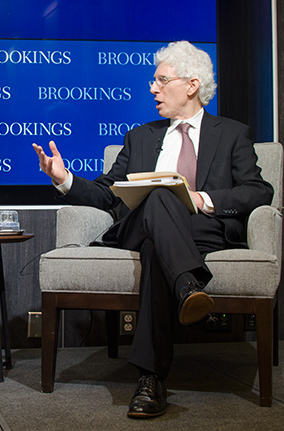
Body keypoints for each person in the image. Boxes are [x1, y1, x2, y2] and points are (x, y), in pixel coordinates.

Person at [33, 41, 273, 418]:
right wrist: (65, 179)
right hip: (139, 225)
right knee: (160, 197)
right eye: (153, 81)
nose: (152, 88)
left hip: (201, 230)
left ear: (191, 85)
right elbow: (108, 195)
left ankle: (151, 380)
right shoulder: (140, 136)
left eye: (162, 80)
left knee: (155, 248)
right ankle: (188, 286)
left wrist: (200, 199)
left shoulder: (231, 134)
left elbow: (259, 190)